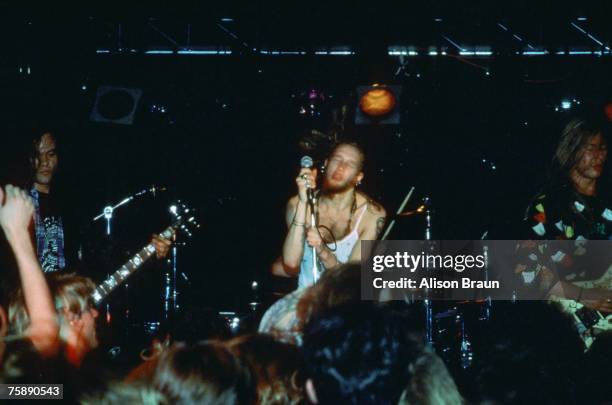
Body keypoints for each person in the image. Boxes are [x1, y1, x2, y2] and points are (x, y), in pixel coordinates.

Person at [28, 129, 172, 273]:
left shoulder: (72, 202)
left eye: (50, 154)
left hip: (68, 291)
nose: (44, 162)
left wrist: (151, 250)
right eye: (37, 155)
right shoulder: (12, 202)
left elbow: (105, 250)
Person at [520, 118, 612, 311]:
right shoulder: (548, 205)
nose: (599, 156)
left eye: (603, 148)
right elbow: (528, 271)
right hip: (572, 321)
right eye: (590, 148)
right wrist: (583, 296)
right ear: (571, 150)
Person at [279, 141, 386, 289]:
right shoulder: (295, 203)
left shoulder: (371, 214)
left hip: (343, 306)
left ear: (358, 177)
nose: (341, 167)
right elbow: (291, 265)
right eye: (337, 159)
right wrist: (303, 202)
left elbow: (351, 280)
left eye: (350, 164)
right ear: (326, 164)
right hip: (305, 302)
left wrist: (323, 251)